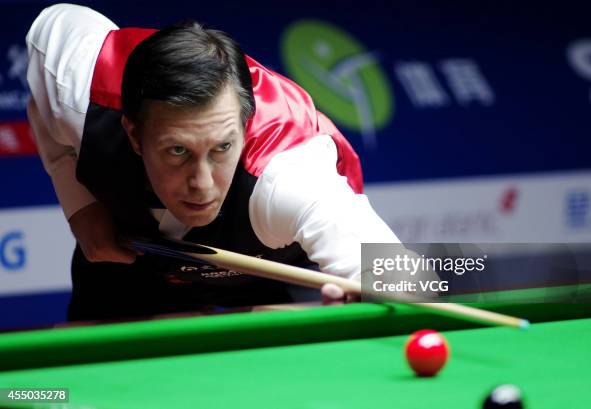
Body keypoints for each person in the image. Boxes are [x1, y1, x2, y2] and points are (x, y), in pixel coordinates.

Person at [25, 4, 401, 321]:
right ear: (134, 134)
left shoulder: (288, 176)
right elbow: (52, 26)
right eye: (177, 151)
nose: (202, 184)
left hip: (282, 265)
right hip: (134, 254)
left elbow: (405, 278)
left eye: (221, 148)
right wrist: (81, 206)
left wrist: (384, 298)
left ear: (244, 122)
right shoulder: (81, 97)